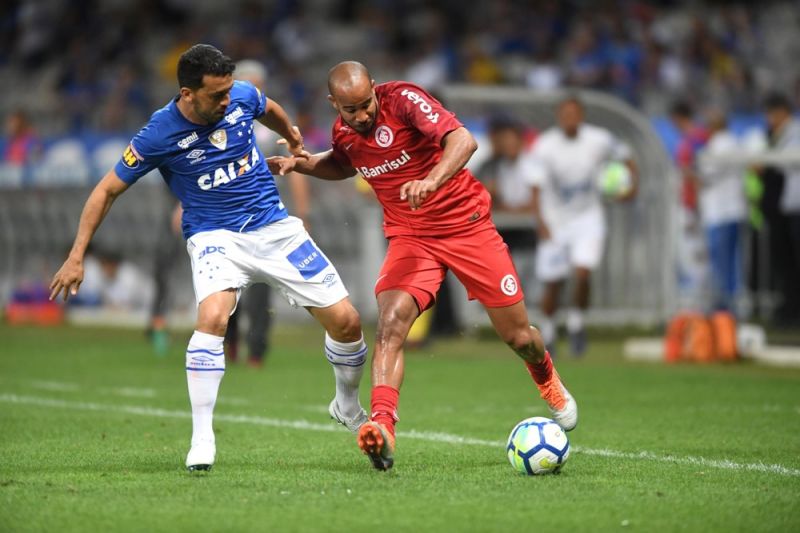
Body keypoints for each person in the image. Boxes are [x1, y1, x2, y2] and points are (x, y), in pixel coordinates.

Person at [49, 44, 369, 472]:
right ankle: (202, 437)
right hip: (214, 235)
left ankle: (345, 404)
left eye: (228, 91)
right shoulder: (157, 134)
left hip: (273, 226)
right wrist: (76, 256)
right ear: (187, 93)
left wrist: (293, 137)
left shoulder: (238, 94)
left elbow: (266, 105)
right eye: (217, 95)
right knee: (214, 317)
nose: (227, 99)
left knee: (347, 321)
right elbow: (106, 190)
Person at [268, 61, 577, 472]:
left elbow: (463, 141)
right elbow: (345, 164)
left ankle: (547, 380)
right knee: (392, 323)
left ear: (375, 89)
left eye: (365, 105)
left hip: (467, 228)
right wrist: (300, 164)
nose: (361, 116)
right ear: (333, 104)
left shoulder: (404, 99)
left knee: (519, 336)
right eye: (350, 109)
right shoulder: (345, 133)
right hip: (411, 237)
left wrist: (431, 180)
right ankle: (382, 427)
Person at [529, 95, 638, 357]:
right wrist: (541, 222)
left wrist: (631, 187)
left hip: (588, 217)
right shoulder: (544, 146)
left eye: (574, 113)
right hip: (555, 219)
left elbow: (627, 157)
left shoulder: (599, 139)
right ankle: (550, 331)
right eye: (565, 113)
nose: (570, 118)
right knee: (553, 282)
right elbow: (535, 187)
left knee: (583, 272)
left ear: (582, 115)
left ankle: (577, 325)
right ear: (558, 116)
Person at [222, 59, 312, 367]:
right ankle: (227, 343)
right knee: (226, 288)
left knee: (259, 293)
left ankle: (256, 351)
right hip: (227, 218)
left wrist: (303, 213)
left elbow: (296, 167)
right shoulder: (222, 119)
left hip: (264, 217)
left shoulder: (272, 123)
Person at [696, 111, 746, 312]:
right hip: (735, 210)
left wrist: (691, 173)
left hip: (720, 213)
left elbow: (706, 176)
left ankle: (725, 311)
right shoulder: (736, 143)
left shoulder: (717, 146)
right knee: (733, 264)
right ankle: (731, 306)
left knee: (721, 264)